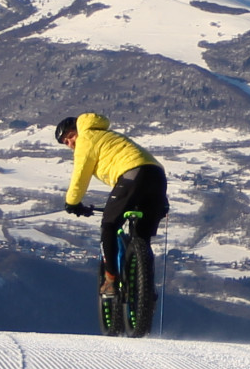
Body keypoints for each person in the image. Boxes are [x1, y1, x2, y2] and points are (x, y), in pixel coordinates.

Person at [54, 113, 168, 299]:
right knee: (142, 238)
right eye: (66, 143)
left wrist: (73, 203)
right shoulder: (111, 136)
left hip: (132, 174)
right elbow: (146, 164)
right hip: (156, 178)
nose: (70, 143)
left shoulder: (87, 138)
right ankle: (145, 288)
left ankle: (110, 280)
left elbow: (80, 174)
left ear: (78, 130)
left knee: (109, 224)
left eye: (70, 137)